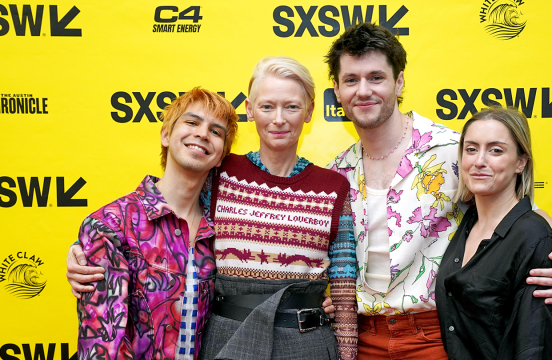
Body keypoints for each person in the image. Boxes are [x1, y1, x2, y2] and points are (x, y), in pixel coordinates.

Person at [69, 57, 357, 360]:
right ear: (249, 110)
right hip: (228, 342)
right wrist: (86, 247)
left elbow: (344, 290)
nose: (279, 119)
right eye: (267, 106)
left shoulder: (334, 187)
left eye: (292, 107)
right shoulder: (220, 173)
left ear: (309, 111)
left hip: (305, 345)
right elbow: (164, 214)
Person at [324, 22, 552, 359]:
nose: (364, 90)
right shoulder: (337, 171)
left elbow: (515, 210)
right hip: (362, 338)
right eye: (351, 80)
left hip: (436, 336)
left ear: (399, 83)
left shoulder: (452, 151)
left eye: (376, 77)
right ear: (337, 91)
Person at [75, 87, 239, 360]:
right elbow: (102, 344)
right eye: (192, 122)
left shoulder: (222, 232)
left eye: (216, 131)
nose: (202, 134)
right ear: (165, 135)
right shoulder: (111, 224)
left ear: (220, 156)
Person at [435, 106, 552, 359]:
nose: (479, 161)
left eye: (496, 150)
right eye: (471, 149)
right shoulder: (466, 220)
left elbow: (534, 345)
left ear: (520, 162)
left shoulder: (532, 235)